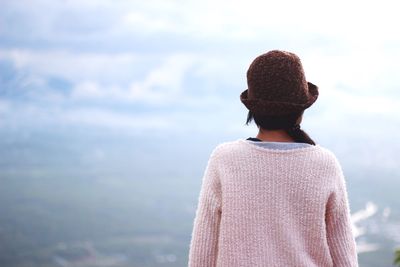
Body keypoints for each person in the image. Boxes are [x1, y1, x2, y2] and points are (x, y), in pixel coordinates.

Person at [188, 50, 359, 267]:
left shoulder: (225, 159)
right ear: (301, 110)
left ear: (253, 110)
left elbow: (203, 254)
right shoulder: (324, 163)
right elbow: (344, 258)